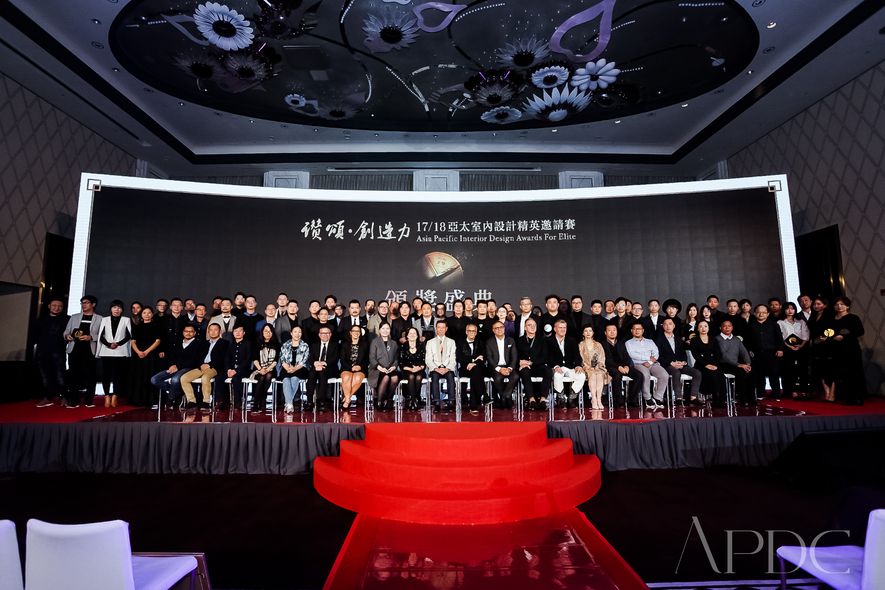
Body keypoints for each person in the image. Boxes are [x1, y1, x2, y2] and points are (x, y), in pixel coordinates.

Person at [150, 323, 203, 408]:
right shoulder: (177, 343)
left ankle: (170, 399)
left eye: (191, 331)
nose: (188, 333)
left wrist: (178, 367)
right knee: (154, 380)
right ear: (183, 332)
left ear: (195, 333)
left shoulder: (199, 344)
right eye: (186, 331)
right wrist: (171, 365)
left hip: (189, 368)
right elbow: (170, 356)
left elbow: (195, 361)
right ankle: (178, 391)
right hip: (174, 367)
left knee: (175, 380)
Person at [63, 295, 103, 408]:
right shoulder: (74, 317)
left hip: (90, 350)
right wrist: (67, 336)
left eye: (86, 302)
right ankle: (73, 399)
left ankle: (89, 399)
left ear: (93, 304)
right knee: (73, 374)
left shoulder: (100, 318)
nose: (83, 305)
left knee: (91, 375)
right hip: (74, 349)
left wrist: (91, 337)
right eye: (82, 303)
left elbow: (103, 335)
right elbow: (67, 330)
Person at [179, 322, 228, 410]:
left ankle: (206, 402)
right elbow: (197, 357)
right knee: (184, 378)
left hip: (214, 367)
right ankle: (192, 401)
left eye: (215, 330)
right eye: (211, 330)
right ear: (208, 332)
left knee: (205, 378)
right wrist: (201, 364)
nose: (213, 332)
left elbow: (222, 359)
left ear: (220, 331)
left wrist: (209, 365)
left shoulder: (225, 343)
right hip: (201, 367)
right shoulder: (204, 343)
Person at [656, 317, 702, 404]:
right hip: (667, 365)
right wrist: (671, 363)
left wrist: (683, 362)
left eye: (670, 324)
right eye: (665, 324)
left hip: (680, 364)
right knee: (676, 372)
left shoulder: (678, 338)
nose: (668, 326)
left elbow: (683, 353)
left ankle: (693, 397)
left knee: (697, 373)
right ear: (663, 326)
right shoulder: (659, 339)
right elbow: (658, 355)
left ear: (674, 326)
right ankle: (678, 398)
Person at [96, 300, 132, 408]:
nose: (117, 310)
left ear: (122, 310)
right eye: (114, 307)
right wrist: (108, 344)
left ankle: (115, 396)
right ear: (111, 309)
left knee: (118, 375)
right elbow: (101, 335)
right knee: (106, 375)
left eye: (119, 308)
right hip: (106, 351)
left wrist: (118, 343)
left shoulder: (126, 320)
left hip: (120, 351)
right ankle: (107, 396)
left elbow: (128, 335)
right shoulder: (104, 319)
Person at [830, 297, 866, 405]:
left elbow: (860, 331)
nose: (839, 306)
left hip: (851, 349)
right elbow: (829, 332)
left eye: (842, 304)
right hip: (837, 349)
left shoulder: (853, 318)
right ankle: (846, 397)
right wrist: (831, 337)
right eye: (837, 304)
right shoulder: (832, 319)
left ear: (847, 306)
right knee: (842, 373)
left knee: (854, 373)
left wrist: (844, 336)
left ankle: (858, 397)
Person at [624, 322, 669, 408]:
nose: (637, 331)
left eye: (639, 329)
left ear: (643, 330)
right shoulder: (628, 343)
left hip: (652, 363)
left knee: (664, 375)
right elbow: (632, 355)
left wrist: (650, 362)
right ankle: (647, 398)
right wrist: (648, 358)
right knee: (645, 375)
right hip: (638, 364)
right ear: (631, 331)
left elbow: (656, 353)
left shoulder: (650, 341)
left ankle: (658, 397)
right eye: (635, 329)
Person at [34, 297, 69, 407]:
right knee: (45, 376)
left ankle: (64, 397)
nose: (57, 308)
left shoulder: (67, 319)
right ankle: (48, 397)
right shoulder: (41, 320)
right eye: (54, 305)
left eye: (60, 306)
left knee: (60, 375)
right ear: (49, 306)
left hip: (58, 351)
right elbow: (35, 336)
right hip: (42, 351)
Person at [746, 304, 783, 400]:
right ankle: (760, 394)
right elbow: (747, 341)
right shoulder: (750, 326)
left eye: (764, 312)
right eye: (758, 312)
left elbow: (779, 338)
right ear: (754, 313)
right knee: (759, 374)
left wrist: (780, 349)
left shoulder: (774, 325)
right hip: (756, 354)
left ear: (768, 314)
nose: (761, 314)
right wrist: (749, 351)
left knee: (774, 374)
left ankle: (776, 394)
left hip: (772, 353)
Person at [602, 322, 642, 406]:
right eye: (609, 330)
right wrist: (618, 367)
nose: (612, 332)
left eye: (614, 330)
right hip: (610, 366)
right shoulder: (602, 344)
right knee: (617, 375)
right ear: (605, 332)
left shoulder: (621, 343)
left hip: (623, 366)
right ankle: (619, 401)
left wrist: (627, 366)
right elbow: (606, 359)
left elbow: (626, 356)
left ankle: (632, 399)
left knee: (639, 375)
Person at [129, 306, 163, 408]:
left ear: (152, 314)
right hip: (138, 355)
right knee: (139, 376)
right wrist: (138, 352)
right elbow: (133, 341)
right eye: (144, 313)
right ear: (141, 315)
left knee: (150, 375)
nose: (147, 315)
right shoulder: (137, 326)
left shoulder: (157, 326)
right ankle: (138, 400)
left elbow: (158, 341)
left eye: (149, 313)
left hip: (151, 354)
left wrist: (146, 352)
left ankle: (151, 400)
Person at [547, 318, 585, 407]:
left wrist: (578, 365)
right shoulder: (548, 341)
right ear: (555, 329)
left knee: (581, 376)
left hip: (570, 367)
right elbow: (547, 357)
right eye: (560, 327)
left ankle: (572, 397)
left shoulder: (572, 340)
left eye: (564, 327)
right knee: (557, 375)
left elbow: (577, 355)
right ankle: (560, 397)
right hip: (556, 367)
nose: (563, 329)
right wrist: (555, 366)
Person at [714, 320, 753, 405]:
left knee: (748, 373)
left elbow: (744, 352)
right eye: (725, 326)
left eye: (729, 326)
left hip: (735, 365)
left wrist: (748, 364)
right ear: (720, 328)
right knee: (741, 373)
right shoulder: (717, 339)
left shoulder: (736, 339)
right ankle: (740, 399)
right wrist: (739, 365)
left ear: (732, 328)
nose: (727, 328)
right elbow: (723, 356)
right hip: (722, 364)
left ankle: (749, 400)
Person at [777, 302, 810, 399]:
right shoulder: (780, 322)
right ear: (784, 310)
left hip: (801, 348)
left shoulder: (801, 321)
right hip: (786, 349)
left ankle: (804, 390)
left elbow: (805, 335)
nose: (790, 310)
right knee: (788, 370)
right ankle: (791, 391)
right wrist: (789, 346)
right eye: (787, 308)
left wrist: (800, 345)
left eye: (792, 308)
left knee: (802, 369)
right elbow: (780, 337)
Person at [516, 317, 550, 410]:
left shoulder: (542, 340)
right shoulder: (519, 340)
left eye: (534, 325)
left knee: (548, 371)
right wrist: (520, 362)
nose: (532, 327)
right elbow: (516, 355)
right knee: (525, 372)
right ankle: (531, 400)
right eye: (529, 325)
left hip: (538, 365)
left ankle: (543, 399)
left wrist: (530, 363)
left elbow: (544, 357)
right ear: (525, 328)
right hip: (525, 367)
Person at [689, 320, 723, 404]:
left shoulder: (714, 339)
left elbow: (719, 354)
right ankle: (715, 398)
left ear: (708, 328)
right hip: (701, 364)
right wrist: (706, 364)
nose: (703, 328)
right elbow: (696, 355)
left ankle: (721, 398)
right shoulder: (694, 340)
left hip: (714, 363)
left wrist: (714, 364)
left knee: (719, 374)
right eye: (700, 326)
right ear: (697, 329)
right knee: (711, 374)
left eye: (705, 326)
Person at [485, 320, 518, 408]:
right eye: (496, 328)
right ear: (493, 330)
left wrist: (509, 368)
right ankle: (506, 398)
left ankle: (505, 396)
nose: (499, 329)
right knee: (498, 378)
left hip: (508, 366)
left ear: (504, 328)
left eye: (501, 327)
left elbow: (514, 357)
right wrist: (499, 369)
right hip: (495, 367)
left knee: (515, 376)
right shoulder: (489, 342)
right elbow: (489, 358)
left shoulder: (510, 340)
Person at [425, 320, 457, 408]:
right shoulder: (430, 342)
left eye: (443, 327)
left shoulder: (451, 342)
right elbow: (428, 359)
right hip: (435, 368)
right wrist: (436, 368)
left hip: (447, 368)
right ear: (436, 329)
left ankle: (451, 401)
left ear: (446, 329)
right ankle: (436, 402)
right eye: (439, 327)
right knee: (434, 376)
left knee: (450, 375)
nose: (441, 329)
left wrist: (447, 368)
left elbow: (453, 358)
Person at [808, 296, 835, 400]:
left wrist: (826, 337)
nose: (816, 306)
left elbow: (832, 328)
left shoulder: (830, 315)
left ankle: (832, 392)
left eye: (819, 304)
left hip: (827, 345)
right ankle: (826, 391)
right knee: (819, 369)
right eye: (814, 304)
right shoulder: (813, 316)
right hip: (816, 345)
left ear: (825, 305)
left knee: (829, 369)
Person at [307, 325, 340, 411]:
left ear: (330, 334)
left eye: (327, 333)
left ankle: (322, 401)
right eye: (322, 333)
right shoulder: (314, 345)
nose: (325, 335)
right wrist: (315, 363)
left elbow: (335, 358)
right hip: (316, 367)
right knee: (311, 374)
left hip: (330, 368)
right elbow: (310, 358)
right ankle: (309, 401)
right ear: (319, 335)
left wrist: (323, 363)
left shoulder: (335, 345)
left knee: (322, 373)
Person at [279, 325, 310, 413]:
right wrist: (288, 368)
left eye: (299, 332)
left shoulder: (305, 345)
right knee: (286, 379)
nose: (297, 334)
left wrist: (294, 369)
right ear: (291, 333)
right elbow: (282, 359)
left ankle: (288, 403)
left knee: (294, 378)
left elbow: (304, 361)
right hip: (286, 367)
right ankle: (290, 403)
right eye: (295, 332)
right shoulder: (285, 345)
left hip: (300, 368)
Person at [369, 322, 399, 411]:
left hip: (390, 369)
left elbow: (396, 358)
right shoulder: (375, 342)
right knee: (385, 377)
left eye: (387, 328)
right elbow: (372, 357)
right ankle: (379, 401)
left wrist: (394, 366)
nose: (385, 331)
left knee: (395, 378)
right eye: (383, 328)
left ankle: (389, 400)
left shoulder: (393, 343)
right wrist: (379, 367)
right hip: (377, 369)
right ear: (379, 330)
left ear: (390, 330)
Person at [458, 323, 487, 413]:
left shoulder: (481, 343)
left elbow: (484, 357)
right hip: (465, 369)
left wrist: (474, 363)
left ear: (476, 332)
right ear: (466, 332)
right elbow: (459, 357)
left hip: (478, 368)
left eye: (473, 331)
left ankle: (473, 405)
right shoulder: (460, 343)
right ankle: (484, 395)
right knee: (476, 373)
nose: (471, 332)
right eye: (469, 331)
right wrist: (473, 360)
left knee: (475, 371)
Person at [579, 326, 608, 410]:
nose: (588, 333)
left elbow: (602, 357)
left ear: (593, 333)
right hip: (586, 367)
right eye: (586, 331)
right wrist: (587, 366)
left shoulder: (598, 345)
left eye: (590, 331)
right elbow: (580, 358)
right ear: (583, 333)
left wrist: (599, 365)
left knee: (599, 374)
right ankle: (594, 399)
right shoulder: (581, 345)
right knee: (592, 374)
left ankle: (599, 399)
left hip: (598, 367)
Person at [339, 325, 369, 409]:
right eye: (354, 331)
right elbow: (342, 359)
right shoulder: (344, 344)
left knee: (358, 378)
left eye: (358, 331)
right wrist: (351, 367)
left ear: (360, 333)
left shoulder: (365, 344)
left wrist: (360, 367)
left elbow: (367, 359)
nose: (356, 333)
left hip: (361, 368)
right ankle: (348, 399)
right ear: (350, 333)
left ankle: (346, 400)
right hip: (347, 367)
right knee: (346, 377)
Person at [224, 325, 252, 409]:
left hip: (244, 370)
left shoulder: (248, 344)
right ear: (233, 333)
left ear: (244, 333)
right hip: (231, 370)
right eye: (235, 331)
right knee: (220, 377)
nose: (238, 333)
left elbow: (248, 360)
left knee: (236, 378)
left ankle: (238, 403)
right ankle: (224, 402)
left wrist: (236, 370)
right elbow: (227, 359)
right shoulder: (230, 344)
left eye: (240, 331)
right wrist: (228, 369)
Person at [399, 327, 426, 411]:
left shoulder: (421, 346)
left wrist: (419, 368)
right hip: (407, 370)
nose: (412, 335)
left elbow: (424, 362)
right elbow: (401, 363)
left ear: (417, 335)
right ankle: (415, 400)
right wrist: (411, 369)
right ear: (407, 335)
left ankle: (413, 399)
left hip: (419, 370)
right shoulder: (403, 346)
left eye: (414, 333)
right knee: (411, 376)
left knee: (418, 377)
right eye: (410, 333)